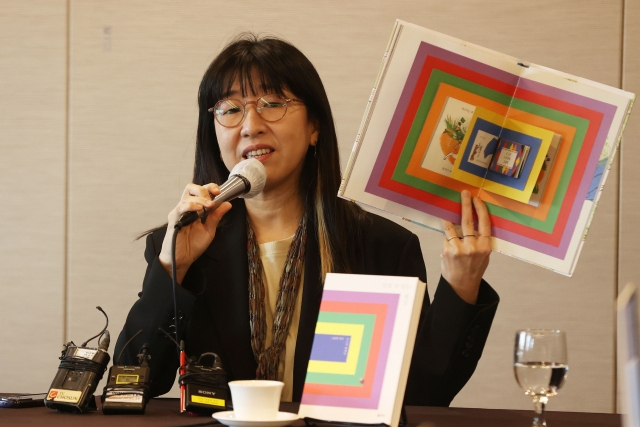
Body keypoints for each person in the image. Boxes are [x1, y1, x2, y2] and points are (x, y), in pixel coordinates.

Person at [115, 34, 499, 406]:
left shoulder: (380, 245)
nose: (251, 125)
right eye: (230, 109)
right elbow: (135, 382)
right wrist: (172, 267)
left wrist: (462, 284)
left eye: (272, 102)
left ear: (314, 127)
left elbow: (422, 396)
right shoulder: (182, 243)